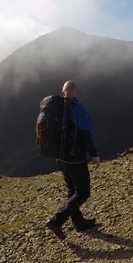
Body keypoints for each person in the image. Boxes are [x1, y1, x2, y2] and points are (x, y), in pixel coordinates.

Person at [45, 80, 101, 239]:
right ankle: (57, 220)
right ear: (76, 92)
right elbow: (85, 134)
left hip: (60, 158)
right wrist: (94, 154)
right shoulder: (77, 109)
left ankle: (79, 222)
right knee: (83, 192)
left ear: (63, 93)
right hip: (74, 157)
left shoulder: (56, 110)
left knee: (72, 190)